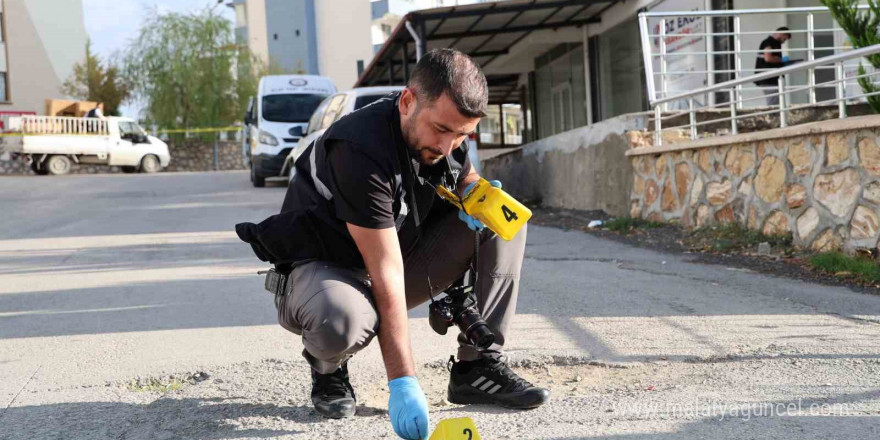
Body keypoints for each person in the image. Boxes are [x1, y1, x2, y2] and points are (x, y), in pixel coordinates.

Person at [236, 48, 549, 440]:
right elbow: (384, 269)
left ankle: (477, 367)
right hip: (323, 272)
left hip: (389, 260)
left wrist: (479, 197)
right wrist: (403, 382)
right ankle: (328, 368)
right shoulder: (360, 149)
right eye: (441, 130)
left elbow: (463, 177)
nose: (449, 145)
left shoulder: (446, 139)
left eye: (462, 135)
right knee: (343, 321)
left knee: (504, 221)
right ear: (407, 102)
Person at [754, 27, 792, 106]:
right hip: (768, 78)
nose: (784, 42)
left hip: (771, 78)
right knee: (773, 102)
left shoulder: (774, 43)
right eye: (784, 39)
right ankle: (773, 116)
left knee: (775, 101)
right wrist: (782, 60)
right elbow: (768, 58)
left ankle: (775, 116)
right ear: (782, 34)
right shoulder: (768, 42)